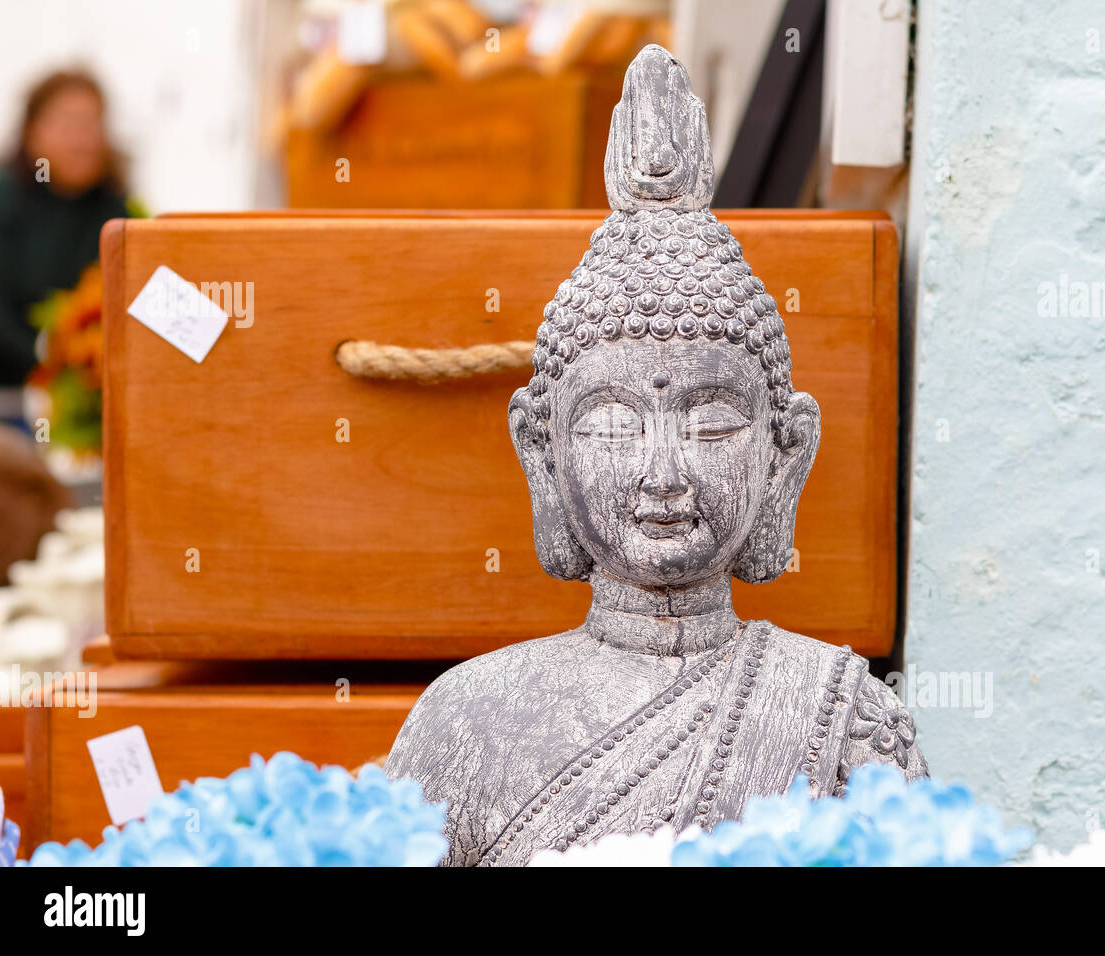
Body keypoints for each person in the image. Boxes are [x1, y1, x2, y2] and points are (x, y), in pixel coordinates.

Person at [385, 46, 926, 867]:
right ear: (542, 450)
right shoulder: (463, 720)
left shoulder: (844, 717)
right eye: (611, 426)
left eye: (711, 424)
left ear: (785, 456)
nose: (663, 473)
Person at [0, 70, 129, 433]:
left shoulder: (116, 212)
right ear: (32, 132)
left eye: (92, 124)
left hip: (89, 401)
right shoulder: (3, 200)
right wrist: (52, 358)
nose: (83, 140)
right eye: (69, 124)